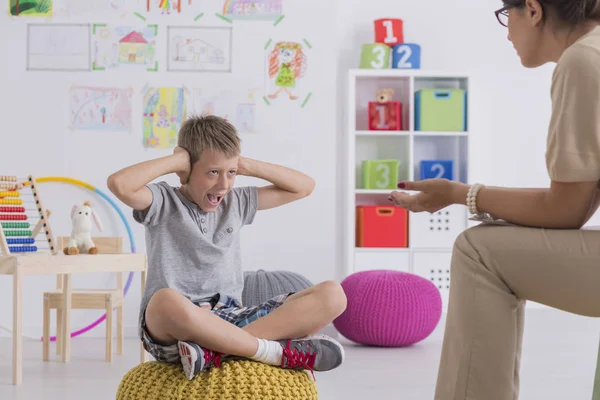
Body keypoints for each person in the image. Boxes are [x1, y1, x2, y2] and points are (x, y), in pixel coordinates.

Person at [389, 0, 600, 399]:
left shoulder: (582, 61)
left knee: (478, 250)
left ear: (534, 11)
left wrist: (460, 194)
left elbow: (567, 210)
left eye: (507, 15)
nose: (506, 32)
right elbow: (577, 203)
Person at [107, 115, 346, 380]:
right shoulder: (163, 201)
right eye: (212, 172)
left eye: (230, 173)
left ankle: (216, 352)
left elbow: (304, 187)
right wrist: (178, 160)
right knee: (163, 300)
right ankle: (273, 352)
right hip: (177, 330)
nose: (223, 185)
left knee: (333, 294)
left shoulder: (236, 202)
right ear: (185, 170)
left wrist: (243, 164)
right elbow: (120, 184)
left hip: (231, 317)